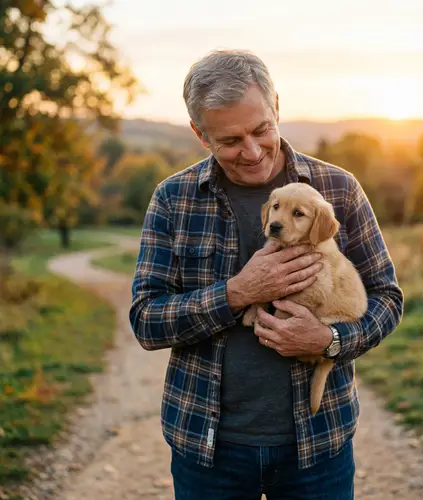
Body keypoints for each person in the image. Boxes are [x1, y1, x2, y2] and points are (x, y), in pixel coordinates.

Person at [129, 49, 404, 500]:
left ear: (276, 105)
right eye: (230, 140)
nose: (253, 152)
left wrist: (329, 342)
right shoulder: (173, 199)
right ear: (201, 135)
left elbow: (387, 299)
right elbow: (146, 320)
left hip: (317, 444)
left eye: (261, 129)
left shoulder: (337, 190)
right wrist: (237, 293)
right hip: (208, 446)